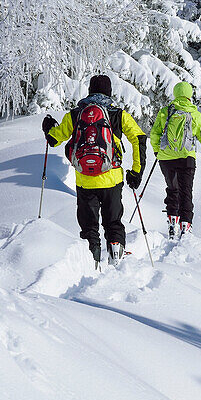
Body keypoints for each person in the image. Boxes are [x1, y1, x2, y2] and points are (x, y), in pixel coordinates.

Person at [42, 74, 146, 266]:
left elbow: (54, 139)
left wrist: (48, 128)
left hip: (84, 179)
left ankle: (92, 262)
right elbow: (138, 139)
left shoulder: (76, 114)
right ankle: (116, 257)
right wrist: (136, 172)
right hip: (111, 178)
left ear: (89, 91)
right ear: (109, 92)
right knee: (113, 222)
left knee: (89, 226)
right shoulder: (117, 114)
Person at [150, 81, 201, 239]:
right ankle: (185, 225)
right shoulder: (194, 114)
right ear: (189, 95)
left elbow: (155, 134)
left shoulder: (166, 111)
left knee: (172, 189)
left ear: (175, 93)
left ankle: (172, 219)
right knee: (185, 192)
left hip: (166, 158)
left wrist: (156, 150)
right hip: (186, 158)